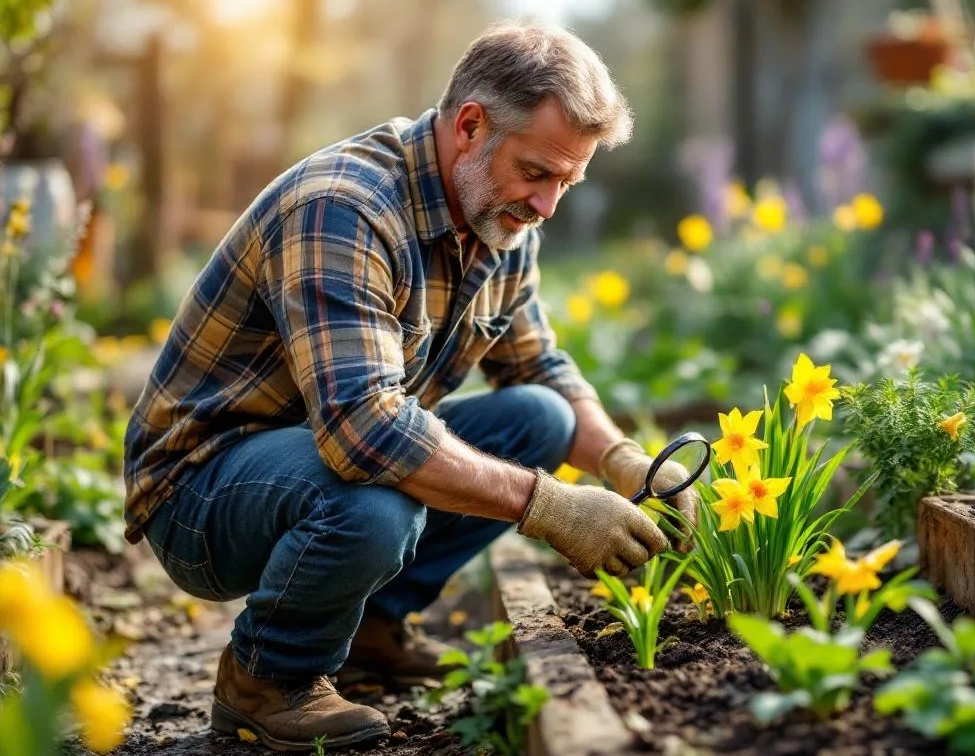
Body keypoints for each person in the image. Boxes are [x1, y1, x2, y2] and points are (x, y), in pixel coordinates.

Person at [120, 22, 700, 752]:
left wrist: (623, 461)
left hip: (318, 458)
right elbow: (365, 431)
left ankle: (367, 626)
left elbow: (538, 366)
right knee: (373, 503)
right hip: (200, 491)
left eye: (566, 182)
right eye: (536, 172)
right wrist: (549, 506)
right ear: (470, 126)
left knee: (540, 418)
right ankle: (268, 678)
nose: (547, 204)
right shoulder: (344, 207)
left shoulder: (498, 217)